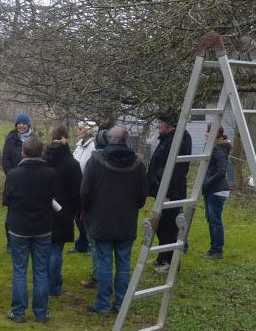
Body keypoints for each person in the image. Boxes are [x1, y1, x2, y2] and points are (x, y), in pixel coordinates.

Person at [81, 124, 148, 314]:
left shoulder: (95, 162)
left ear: (108, 140)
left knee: (104, 263)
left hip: (101, 220)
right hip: (126, 220)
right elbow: (143, 194)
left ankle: (102, 304)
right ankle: (121, 303)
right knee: (124, 263)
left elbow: (85, 192)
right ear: (127, 141)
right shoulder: (137, 164)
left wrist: (88, 211)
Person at [3, 135, 58, 323]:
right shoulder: (50, 174)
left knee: (19, 270)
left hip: (19, 227)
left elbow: (6, 200)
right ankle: (41, 312)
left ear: (23, 152)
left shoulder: (13, 175)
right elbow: (53, 197)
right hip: (42, 227)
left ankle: (18, 311)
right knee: (41, 270)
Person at [148, 112, 192, 271]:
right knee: (161, 226)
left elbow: (178, 170)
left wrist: (167, 191)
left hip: (170, 193)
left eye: (160, 122)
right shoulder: (168, 138)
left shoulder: (178, 140)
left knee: (170, 228)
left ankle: (171, 263)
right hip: (162, 190)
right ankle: (162, 257)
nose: (158, 125)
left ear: (170, 124)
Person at [43, 125, 83, 296]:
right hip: (63, 210)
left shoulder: (43, 159)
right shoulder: (72, 163)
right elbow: (77, 191)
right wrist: (76, 210)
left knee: (44, 249)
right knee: (56, 249)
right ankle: (54, 287)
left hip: (43, 207)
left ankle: (43, 283)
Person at [202, 129, 233, 260]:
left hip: (217, 190)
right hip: (210, 190)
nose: (205, 133)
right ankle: (213, 249)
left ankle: (217, 250)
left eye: (207, 131)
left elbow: (221, 171)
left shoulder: (218, 149)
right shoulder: (213, 147)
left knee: (215, 221)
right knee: (211, 220)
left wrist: (207, 182)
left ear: (214, 133)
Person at [71, 121, 97, 253]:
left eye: (81, 128)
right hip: (76, 184)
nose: (78, 130)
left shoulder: (92, 147)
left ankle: (88, 244)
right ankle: (81, 243)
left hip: (84, 185)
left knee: (84, 217)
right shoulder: (79, 146)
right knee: (77, 216)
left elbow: (86, 166)